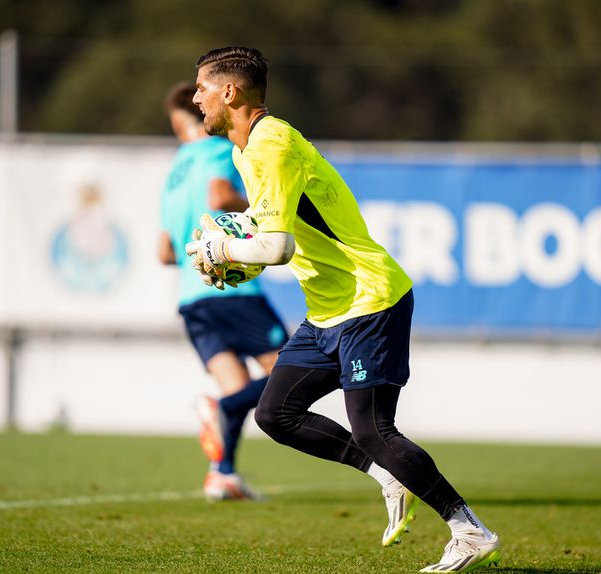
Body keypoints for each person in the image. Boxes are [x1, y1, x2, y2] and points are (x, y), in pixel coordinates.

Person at [185, 47, 501, 572]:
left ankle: (469, 529)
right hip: (328, 309)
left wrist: (223, 250)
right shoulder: (245, 151)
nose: (196, 97)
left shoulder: (271, 145)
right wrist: (237, 235)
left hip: (370, 299)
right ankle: (385, 475)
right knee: (274, 413)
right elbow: (274, 230)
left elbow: (277, 248)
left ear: (229, 92)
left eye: (201, 87)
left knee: (374, 429)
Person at [159, 81, 287, 502]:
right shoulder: (220, 151)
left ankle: (222, 474)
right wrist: (256, 212)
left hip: (191, 299)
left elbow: (164, 252)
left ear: (179, 123)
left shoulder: (174, 173)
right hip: (233, 293)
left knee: (236, 385)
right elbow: (220, 195)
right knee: (287, 373)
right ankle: (224, 412)